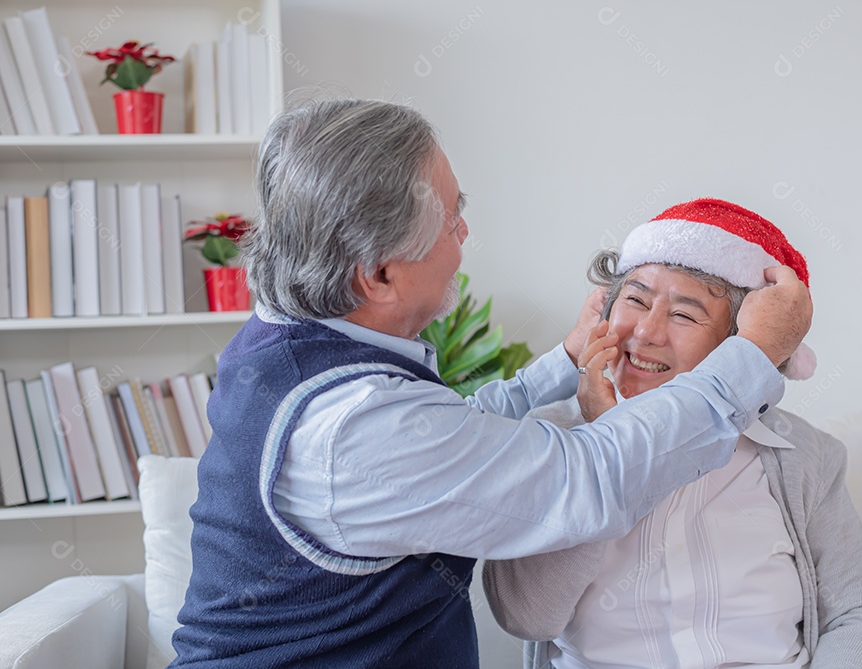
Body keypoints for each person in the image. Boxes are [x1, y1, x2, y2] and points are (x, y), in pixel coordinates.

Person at [168, 100, 812, 669]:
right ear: (380, 277)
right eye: (453, 220)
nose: (465, 235)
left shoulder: (296, 345)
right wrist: (753, 356)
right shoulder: (354, 427)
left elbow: (455, 429)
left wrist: (562, 359)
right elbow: (593, 479)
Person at [483, 199, 862, 669]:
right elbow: (527, 616)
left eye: (684, 315)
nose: (646, 332)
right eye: (636, 299)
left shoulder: (806, 457)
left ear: (739, 344)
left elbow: (861, 614)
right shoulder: (550, 438)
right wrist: (604, 441)